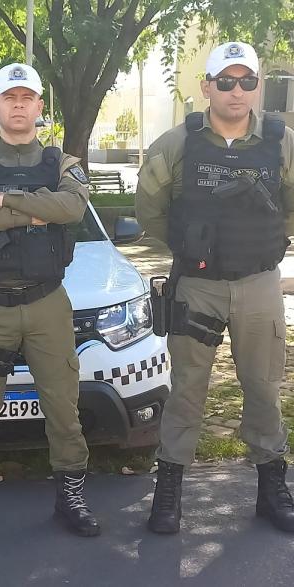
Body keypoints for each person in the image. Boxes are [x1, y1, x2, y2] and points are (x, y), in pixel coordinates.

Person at [136, 42, 294, 534]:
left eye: (248, 81)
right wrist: (190, 248)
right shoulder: (177, 144)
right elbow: (150, 209)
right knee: (186, 392)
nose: (237, 90)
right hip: (198, 287)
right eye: (225, 81)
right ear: (206, 87)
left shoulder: (281, 141)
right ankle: (169, 493)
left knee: (263, 389)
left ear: (258, 87)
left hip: (259, 283)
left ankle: (272, 488)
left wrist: (269, 240)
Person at [0, 63, 100, 540]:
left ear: (38, 107)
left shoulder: (64, 164)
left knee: (62, 406)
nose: (17, 105)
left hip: (48, 304)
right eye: (8, 97)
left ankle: (70, 497)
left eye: (26, 97)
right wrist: (34, 210)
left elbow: (72, 208)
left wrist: (4, 201)